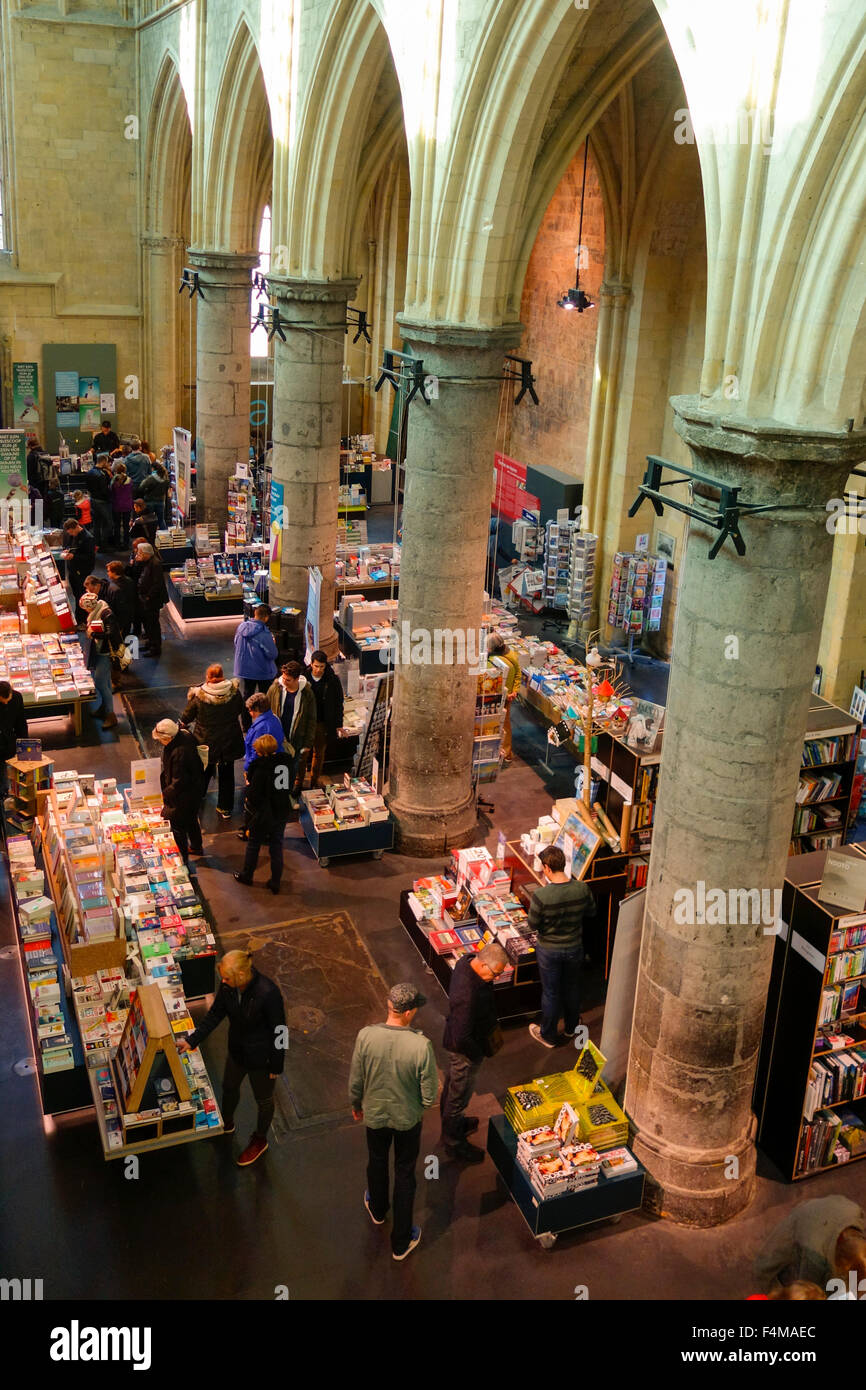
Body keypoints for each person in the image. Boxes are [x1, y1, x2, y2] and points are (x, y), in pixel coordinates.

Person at [349, 983, 438, 1262]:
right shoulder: (421, 1045)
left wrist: (356, 1104)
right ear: (409, 1012)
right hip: (407, 1120)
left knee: (376, 1160)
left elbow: (356, 1078)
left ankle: (377, 1209)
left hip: (375, 1115)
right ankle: (401, 1243)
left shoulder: (365, 1036)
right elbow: (429, 1093)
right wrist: (418, 1108)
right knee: (404, 1173)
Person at [177, 948, 286, 1168]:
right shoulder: (229, 987)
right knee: (229, 1087)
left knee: (264, 1101)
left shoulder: (268, 993)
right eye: (223, 977)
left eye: (227, 978)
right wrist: (192, 1040)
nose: (223, 981)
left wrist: (276, 1064)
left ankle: (259, 1140)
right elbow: (216, 1013)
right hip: (237, 1052)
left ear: (242, 976)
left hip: (262, 1060)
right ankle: (226, 1124)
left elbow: (280, 1030)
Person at [440, 941, 509, 1162]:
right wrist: (479, 1053)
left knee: (453, 1087)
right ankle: (453, 1142)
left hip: (459, 1041)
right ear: (483, 965)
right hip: (465, 1052)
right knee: (458, 1095)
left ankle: (454, 1122)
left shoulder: (466, 961)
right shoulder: (468, 996)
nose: (496, 978)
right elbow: (462, 1038)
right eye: (495, 974)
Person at [527, 844, 596, 1048]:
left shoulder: (541, 896)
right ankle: (571, 1027)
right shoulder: (582, 888)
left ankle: (548, 1035)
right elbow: (591, 912)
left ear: (547, 868)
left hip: (549, 950)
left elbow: (533, 924)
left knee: (551, 992)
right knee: (572, 987)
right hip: (574, 946)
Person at [753, 1196, 866, 1295]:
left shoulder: (856, 1214)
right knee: (765, 1266)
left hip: (833, 1210)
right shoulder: (814, 1257)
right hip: (806, 1217)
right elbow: (808, 1290)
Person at [182, 664, 247, 820]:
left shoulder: (199, 695)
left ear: (208, 677)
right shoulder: (234, 691)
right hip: (229, 740)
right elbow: (240, 709)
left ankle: (199, 797)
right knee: (227, 774)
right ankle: (225, 808)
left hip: (206, 740)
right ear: (222, 675)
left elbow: (187, 717)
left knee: (203, 771)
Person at [233, 734, 292, 894]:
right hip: (282, 809)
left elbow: (254, 796)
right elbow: (287, 787)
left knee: (253, 844)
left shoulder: (260, 769)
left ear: (261, 752)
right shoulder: (285, 765)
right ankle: (275, 882)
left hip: (264, 814)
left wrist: (249, 784)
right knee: (276, 845)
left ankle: (247, 875)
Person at [152, 718, 205, 863]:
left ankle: (183, 860)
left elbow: (178, 782)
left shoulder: (179, 754)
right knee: (191, 819)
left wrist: (165, 793)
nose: (160, 742)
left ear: (168, 738)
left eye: (161, 740)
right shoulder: (185, 735)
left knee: (178, 826)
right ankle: (196, 846)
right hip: (194, 790)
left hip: (184, 796)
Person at [266, 660, 316, 799]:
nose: (284, 681)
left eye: (287, 679)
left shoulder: (307, 694)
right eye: (283, 677)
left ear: (296, 679)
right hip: (278, 737)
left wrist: (307, 743)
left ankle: (286, 794)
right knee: (277, 768)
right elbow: (266, 711)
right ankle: (278, 795)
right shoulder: (275, 688)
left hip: (296, 739)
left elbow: (311, 719)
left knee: (292, 768)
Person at [301, 649, 344, 790]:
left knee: (319, 754)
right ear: (311, 664)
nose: (319, 670)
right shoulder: (303, 678)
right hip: (306, 722)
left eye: (322, 667)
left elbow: (338, 702)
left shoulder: (332, 680)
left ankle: (315, 781)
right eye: (316, 666)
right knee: (303, 753)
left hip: (323, 722)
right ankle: (298, 781)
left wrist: (338, 724)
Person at [79, 589, 121, 730]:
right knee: (105, 683)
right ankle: (104, 708)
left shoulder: (106, 614)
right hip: (99, 650)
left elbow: (110, 634)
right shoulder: (97, 610)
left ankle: (110, 714)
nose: (86, 612)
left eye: (86, 609)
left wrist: (94, 634)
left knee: (100, 682)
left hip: (106, 652)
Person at [487, 632, 522, 762]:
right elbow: (518, 673)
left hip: (503, 696)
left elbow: (517, 673)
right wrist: (515, 690)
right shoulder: (511, 654)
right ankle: (504, 752)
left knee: (502, 723)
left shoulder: (497, 659)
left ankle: (505, 752)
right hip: (506, 695)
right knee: (503, 722)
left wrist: (513, 691)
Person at [233, 604, 278, 699]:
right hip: (262, 672)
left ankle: (246, 713)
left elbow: (236, 643)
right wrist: (273, 643)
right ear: (266, 617)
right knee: (264, 697)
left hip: (244, 669)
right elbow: (272, 654)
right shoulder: (264, 634)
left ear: (255, 613)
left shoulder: (241, 627)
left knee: (247, 695)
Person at [0, 679, 28, 813]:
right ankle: (4, 795)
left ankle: (13, 795)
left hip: (10, 742)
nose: (5, 702)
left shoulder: (17, 698)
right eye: (2, 700)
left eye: (7, 699)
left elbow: (21, 722)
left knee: (14, 771)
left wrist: (24, 744)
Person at [135, 543, 168, 657]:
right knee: (147, 623)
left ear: (146, 553)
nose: (138, 555)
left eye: (140, 553)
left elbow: (157, 583)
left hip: (152, 600)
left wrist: (148, 596)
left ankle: (155, 647)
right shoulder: (146, 562)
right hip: (146, 598)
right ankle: (150, 643)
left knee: (153, 624)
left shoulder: (155, 564)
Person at [242, 692, 286, 771]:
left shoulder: (260, 728)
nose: (249, 713)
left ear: (257, 709)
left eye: (250, 710)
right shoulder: (274, 718)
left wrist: (247, 768)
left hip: (261, 769)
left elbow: (255, 752)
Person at [60, 519, 96, 606]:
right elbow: (69, 545)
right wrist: (67, 550)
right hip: (73, 569)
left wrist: (74, 556)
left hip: (82, 571)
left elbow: (89, 557)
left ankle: (82, 615)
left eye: (72, 532)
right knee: (76, 594)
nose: (71, 534)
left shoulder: (88, 538)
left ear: (77, 527)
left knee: (81, 594)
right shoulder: (72, 535)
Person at [85, 457, 113, 549]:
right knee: (108, 522)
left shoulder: (89, 472)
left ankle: (97, 543)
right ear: (104, 462)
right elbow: (104, 490)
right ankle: (105, 544)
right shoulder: (102, 475)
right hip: (102, 501)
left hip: (93, 499)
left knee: (97, 523)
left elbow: (87, 487)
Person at [105, 561, 136, 638]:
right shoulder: (129, 581)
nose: (107, 573)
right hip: (129, 615)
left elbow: (115, 604)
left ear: (114, 572)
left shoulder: (114, 587)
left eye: (108, 571)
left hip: (120, 618)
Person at [137, 460, 170, 529]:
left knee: (150, 520)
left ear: (153, 468)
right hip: (161, 501)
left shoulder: (151, 478)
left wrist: (146, 491)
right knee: (161, 520)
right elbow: (167, 489)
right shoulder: (166, 478)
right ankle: (164, 535)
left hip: (150, 501)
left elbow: (141, 487)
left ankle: (152, 535)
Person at [110, 465, 134, 547]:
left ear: (116, 471)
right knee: (126, 525)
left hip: (116, 505)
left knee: (116, 525)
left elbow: (110, 491)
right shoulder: (130, 480)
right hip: (127, 505)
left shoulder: (113, 480)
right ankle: (126, 543)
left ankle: (117, 543)